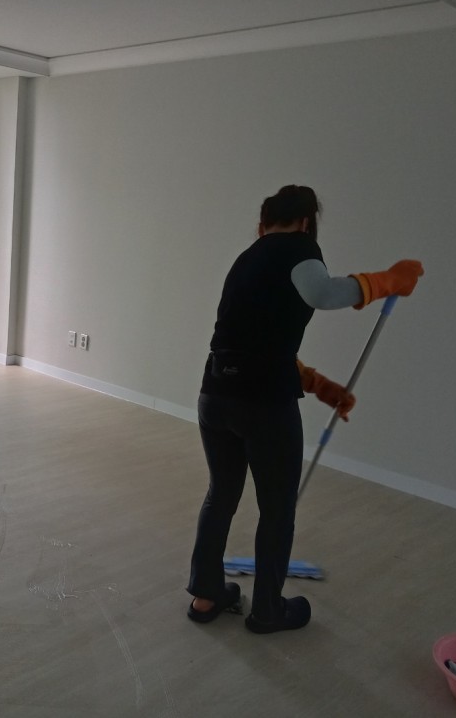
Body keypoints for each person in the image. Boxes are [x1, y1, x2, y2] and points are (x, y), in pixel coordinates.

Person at [186, 185, 423, 633]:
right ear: (306, 221)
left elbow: (255, 343)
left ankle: (206, 595)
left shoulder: (247, 258)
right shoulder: (299, 246)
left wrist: (319, 385)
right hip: (264, 405)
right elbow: (323, 293)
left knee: (221, 495)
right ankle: (267, 611)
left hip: (215, 395)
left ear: (262, 224)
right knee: (277, 508)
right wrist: (387, 281)